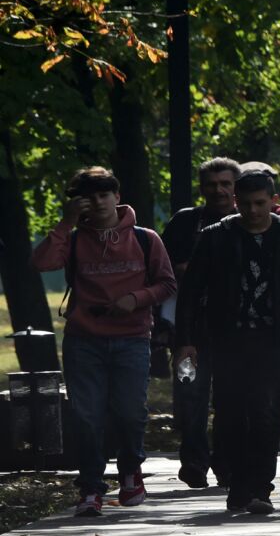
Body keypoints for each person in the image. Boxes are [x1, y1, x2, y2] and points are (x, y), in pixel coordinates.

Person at [33, 167, 177, 517]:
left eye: (103, 194)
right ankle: (90, 489)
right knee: (86, 416)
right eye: (89, 197)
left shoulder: (145, 238)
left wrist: (136, 298)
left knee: (129, 412)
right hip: (85, 340)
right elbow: (41, 262)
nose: (97, 202)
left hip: (131, 338)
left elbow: (167, 284)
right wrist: (66, 223)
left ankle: (130, 470)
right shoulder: (75, 237)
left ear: (116, 196)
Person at [174, 171, 280, 514]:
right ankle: (238, 484)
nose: (253, 211)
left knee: (267, 411)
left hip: (276, 339)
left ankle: (260, 487)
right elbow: (191, 293)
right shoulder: (216, 237)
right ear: (235, 202)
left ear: (273, 200)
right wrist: (186, 341)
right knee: (231, 413)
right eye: (246, 204)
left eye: (260, 203)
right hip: (228, 338)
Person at [161, 157, 240, 489]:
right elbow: (167, 267)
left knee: (230, 397)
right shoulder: (185, 222)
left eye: (225, 183)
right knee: (190, 395)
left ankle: (226, 463)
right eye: (211, 184)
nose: (218, 190)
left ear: (236, 186)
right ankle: (193, 462)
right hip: (189, 328)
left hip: (234, 332)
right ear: (201, 187)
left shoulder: (247, 221)